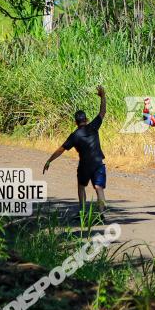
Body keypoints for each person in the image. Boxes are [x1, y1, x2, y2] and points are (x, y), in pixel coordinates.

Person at [43, 86, 108, 214]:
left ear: (75, 122)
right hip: (98, 163)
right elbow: (102, 112)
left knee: (81, 187)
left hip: (84, 166)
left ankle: (82, 213)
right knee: (99, 187)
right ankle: (101, 214)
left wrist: (49, 160)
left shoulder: (74, 136)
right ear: (86, 120)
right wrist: (103, 96)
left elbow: (61, 150)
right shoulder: (93, 126)